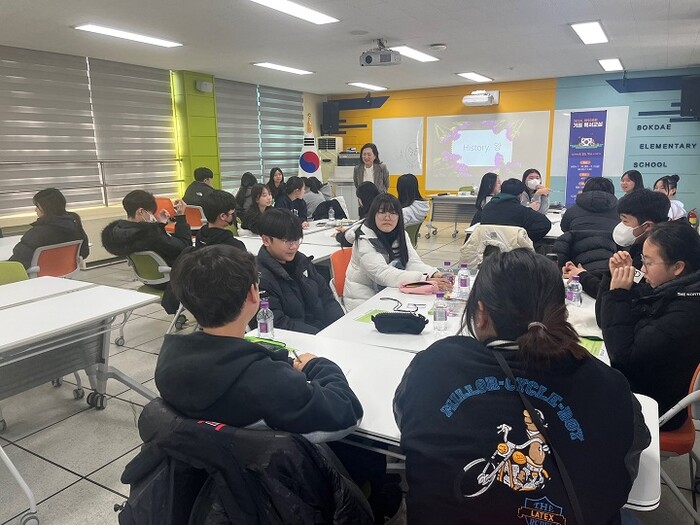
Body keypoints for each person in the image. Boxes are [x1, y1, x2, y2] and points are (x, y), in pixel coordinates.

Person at [394, 248, 650, 525]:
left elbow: (406, 418)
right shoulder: (608, 383)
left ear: (481, 313)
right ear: (562, 313)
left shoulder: (434, 364)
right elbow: (628, 456)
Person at [154, 243, 363, 441]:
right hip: (272, 463)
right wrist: (318, 366)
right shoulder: (267, 381)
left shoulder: (168, 359)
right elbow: (347, 413)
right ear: (253, 294)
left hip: (207, 460)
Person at [600, 220, 700, 431]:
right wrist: (615, 275)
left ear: (678, 267)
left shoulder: (687, 310)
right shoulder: (670, 288)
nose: (642, 270)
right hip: (644, 383)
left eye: (648, 263)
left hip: (656, 405)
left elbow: (622, 355)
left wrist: (618, 295)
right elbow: (606, 321)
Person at [343, 194, 452, 311]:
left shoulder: (400, 234)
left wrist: (433, 274)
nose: (387, 217)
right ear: (373, 214)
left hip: (388, 293)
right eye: (382, 212)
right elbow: (382, 274)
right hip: (363, 301)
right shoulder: (364, 239)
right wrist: (423, 280)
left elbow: (411, 262)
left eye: (393, 213)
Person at [564, 189, 669, 298]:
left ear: (647, 226)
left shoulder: (659, 252)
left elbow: (618, 290)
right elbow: (620, 276)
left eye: (625, 221)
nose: (621, 226)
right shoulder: (640, 245)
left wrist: (582, 276)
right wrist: (581, 273)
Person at [256, 209, 344, 334]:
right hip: (298, 339)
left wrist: (339, 326)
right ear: (266, 240)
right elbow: (278, 323)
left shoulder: (302, 262)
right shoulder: (261, 279)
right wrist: (320, 335)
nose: (294, 246)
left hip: (323, 333)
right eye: (287, 241)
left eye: (297, 239)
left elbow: (327, 297)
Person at [101, 190, 191, 268]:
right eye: (151, 213)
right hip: (174, 275)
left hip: (151, 274)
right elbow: (185, 248)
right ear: (141, 211)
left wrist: (159, 225)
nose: (152, 217)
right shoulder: (151, 236)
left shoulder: (119, 233)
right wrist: (181, 217)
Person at [9, 188, 90, 268]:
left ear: (45, 208)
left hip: (40, 274)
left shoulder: (37, 233)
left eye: (37, 206)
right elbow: (84, 252)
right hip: (66, 271)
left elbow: (18, 262)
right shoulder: (74, 224)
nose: (35, 210)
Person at [480, 179, 551, 243]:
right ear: (520, 195)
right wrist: (524, 239)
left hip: (489, 249)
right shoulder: (521, 211)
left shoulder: (487, 207)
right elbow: (546, 224)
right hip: (515, 250)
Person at [335, 181, 380, 247]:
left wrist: (338, 236)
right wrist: (348, 230)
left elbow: (351, 239)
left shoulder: (370, 216)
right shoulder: (379, 208)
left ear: (362, 199)